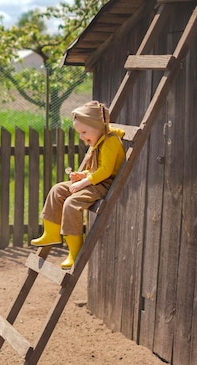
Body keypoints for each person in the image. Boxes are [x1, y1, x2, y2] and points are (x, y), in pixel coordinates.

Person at [30, 100, 125, 269]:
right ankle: (51, 233)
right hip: (95, 180)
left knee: (71, 203)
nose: (81, 137)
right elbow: (96, 169)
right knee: (57, 189)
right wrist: (83, 174)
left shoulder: (110, 142)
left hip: (104, 185)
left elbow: (106, 171)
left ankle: (74, 252)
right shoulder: (99, 141)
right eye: (79, 133)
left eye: (84, 132)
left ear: (97, 126)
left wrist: (83, 183)